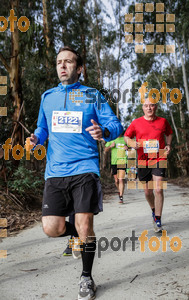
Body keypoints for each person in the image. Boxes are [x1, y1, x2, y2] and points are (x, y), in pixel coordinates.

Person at [29, 46, 123, 300]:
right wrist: (37, 138)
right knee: (52, 227)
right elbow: (42, 127)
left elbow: (115, 124)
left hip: (85, 168)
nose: (62, 66)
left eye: (68, 62)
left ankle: (86, 278)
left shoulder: (92, 95)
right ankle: (80, 238)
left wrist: (103, 133)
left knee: (84, 224)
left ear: (79, 68)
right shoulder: (47, 97)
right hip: (56, 171)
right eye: (59, 62)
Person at [124, 98, 173, 233]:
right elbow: (126, 137)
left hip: (159, 157)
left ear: (156, 107)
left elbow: (169, 133)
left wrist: (168, 145)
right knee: (147, 192)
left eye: (151, 105)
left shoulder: (163, 121)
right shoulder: (136, 123)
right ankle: (153, 210)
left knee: (158, 189)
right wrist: (132, 143)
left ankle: (158, 219)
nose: (149, 108)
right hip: (143, 160)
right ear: (143, 108)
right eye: (146, 106)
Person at [105, 136, 128, 203]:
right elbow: (105, 149)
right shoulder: (111, 139)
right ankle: (119, 191)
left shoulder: (125, 139)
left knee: (121, 179)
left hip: (122, 161)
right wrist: (110, 146)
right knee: (117, 180)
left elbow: (133, 148)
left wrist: (127, 148)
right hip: (114, 162)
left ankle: (121, 196)